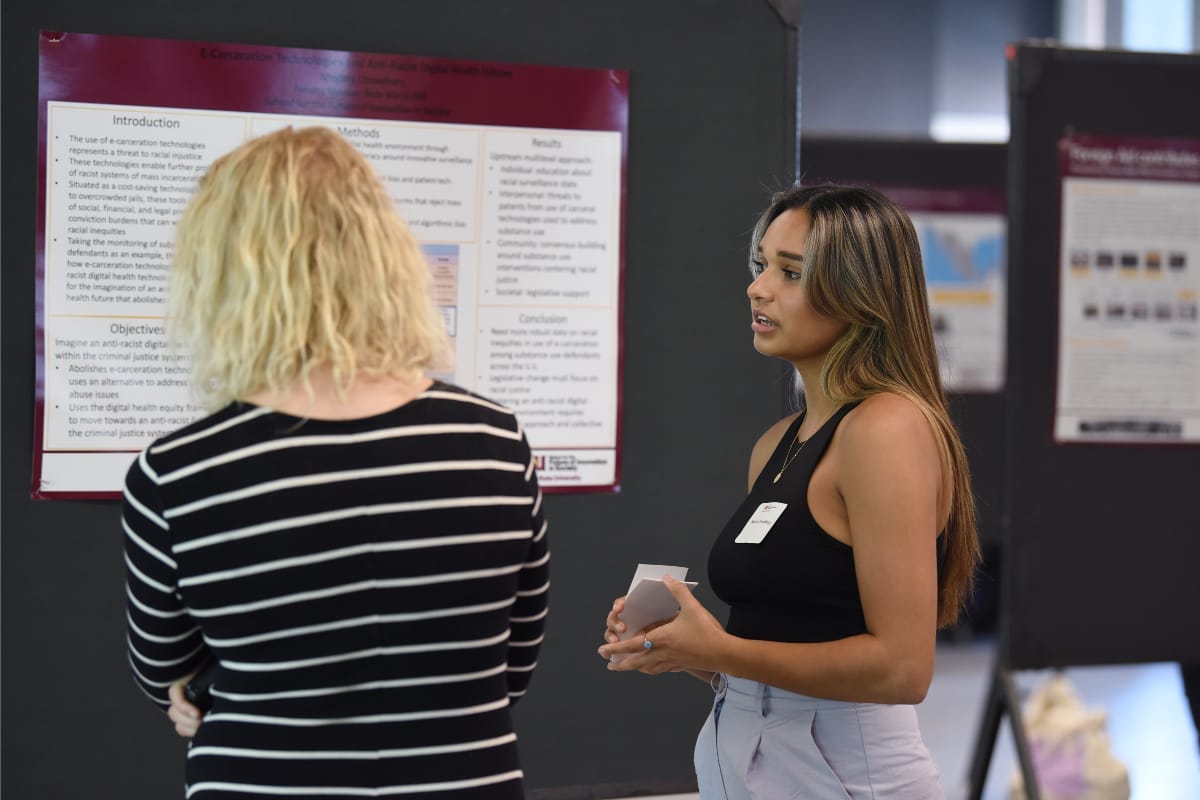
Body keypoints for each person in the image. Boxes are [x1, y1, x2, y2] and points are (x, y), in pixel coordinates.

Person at [123, 126, 550, 799]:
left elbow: (165, 670)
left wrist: (203, 692)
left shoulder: (177, 473)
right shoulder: (496, 440)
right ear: (384, 254)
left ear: (221, 271)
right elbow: (512, 662)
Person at [598, 184, 979, 799]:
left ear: (859, 294)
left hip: (844, 774)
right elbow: (778, 662)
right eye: (761, 265)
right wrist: (683, 646)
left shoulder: (885, 429)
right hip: (755, 763)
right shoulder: (778, 443)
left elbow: (903, 670)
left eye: (791, 272)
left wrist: (724, 650)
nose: (758, 288)